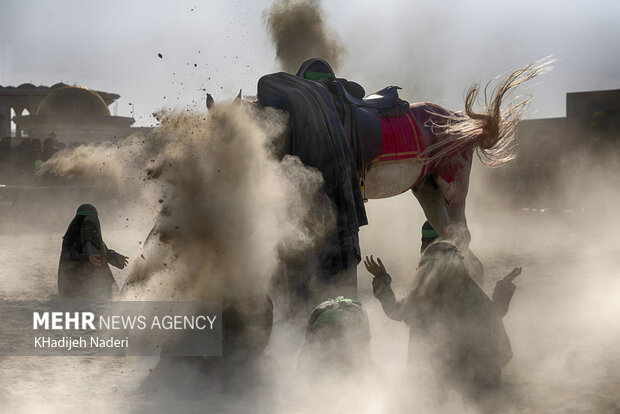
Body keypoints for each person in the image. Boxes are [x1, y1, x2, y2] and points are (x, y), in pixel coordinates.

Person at [364, 241, 521, 395]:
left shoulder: (424, 295)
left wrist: (381, 278)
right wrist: (504, 285)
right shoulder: (467, 290)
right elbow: (496, 312)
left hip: (441, 382)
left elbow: (394, 310)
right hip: (473, 381)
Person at [58, 204, 127, 299]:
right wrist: (87, 258)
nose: (89, 225)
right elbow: (69, 255)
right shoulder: (71, 238)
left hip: (94, 283)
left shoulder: (93, 236)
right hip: (74, 285)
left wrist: (116, 257)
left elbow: (103, 251)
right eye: (87, 221)